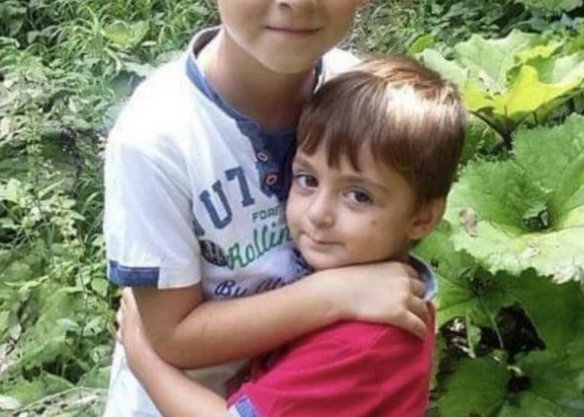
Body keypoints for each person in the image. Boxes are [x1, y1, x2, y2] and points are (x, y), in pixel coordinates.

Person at [102, 1, 433, 415]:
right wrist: (334, 294)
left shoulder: (366, 97)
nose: (297, 3)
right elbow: (173, 336)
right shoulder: (156, 140)